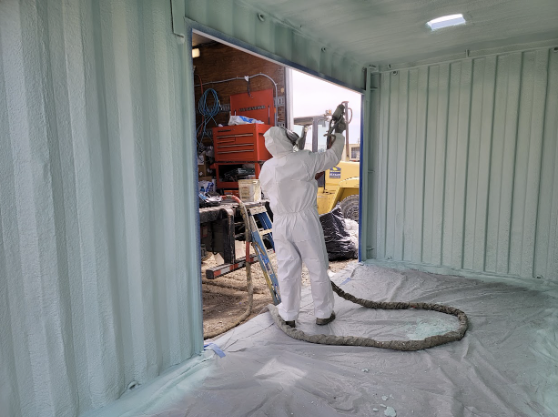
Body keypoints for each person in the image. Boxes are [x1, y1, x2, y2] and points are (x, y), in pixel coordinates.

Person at [259, 122, 346, 328]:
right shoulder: (304, 158)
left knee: (287, 269)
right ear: (287, 140)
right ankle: (323, 313)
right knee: (316, 264)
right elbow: (332, 158)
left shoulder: (267, 167)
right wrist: (339, 134)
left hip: (280, 221)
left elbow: (269, 191)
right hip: (303, 219)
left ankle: (288, 315)